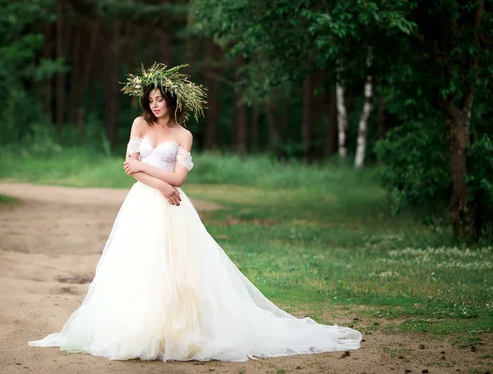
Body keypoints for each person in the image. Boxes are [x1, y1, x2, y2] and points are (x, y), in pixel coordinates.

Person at [28, 63, 362, 362]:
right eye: (151, 99)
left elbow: (179, 178)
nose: (154, 104)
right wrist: (157, 184)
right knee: (139, 264)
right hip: (144, 203)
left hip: (173, 208)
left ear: (173, 102)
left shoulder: (183, 135)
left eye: (160, 99)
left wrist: (154, 176)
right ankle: (138, 328)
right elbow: (130, 167)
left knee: (177, 268)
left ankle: (177, 330)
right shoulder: (139, 125)